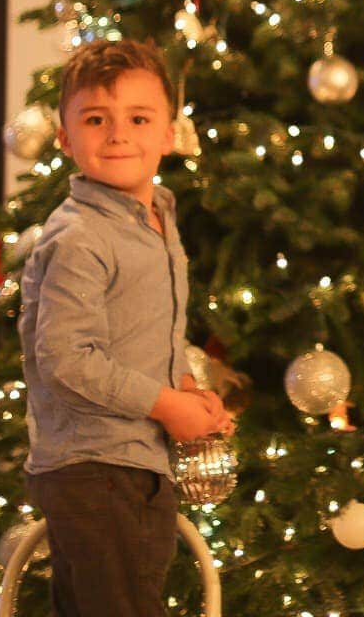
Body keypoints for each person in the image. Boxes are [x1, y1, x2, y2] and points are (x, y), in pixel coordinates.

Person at [19, 39, 232, 616]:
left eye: (138, 118)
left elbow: (135, 340)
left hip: (130, 467)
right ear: (65, 137)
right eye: (96, 119)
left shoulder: (156, 219)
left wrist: (185, 391)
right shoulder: (81, 237)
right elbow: (67, 359)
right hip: (96, 472)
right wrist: (164, 404)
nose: (118, 135)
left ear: (168, 133)